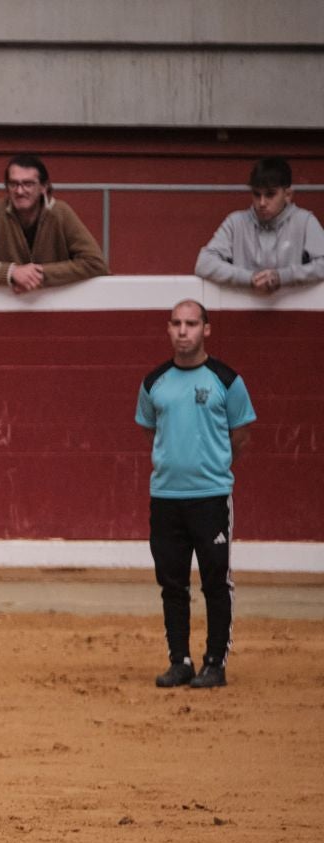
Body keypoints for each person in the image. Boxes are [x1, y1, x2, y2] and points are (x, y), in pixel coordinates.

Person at [138, 301, 256, 690]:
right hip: (166, 497)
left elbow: (241, 435)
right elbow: (151, 431)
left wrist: (212, 467)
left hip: (210, 498)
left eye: (191, 323)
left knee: (215, 582)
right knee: (172, 583)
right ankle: (180, 661)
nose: (183, 330)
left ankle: (215, 663)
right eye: (176, 323)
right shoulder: (153, 382)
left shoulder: (227, 380)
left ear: (206, 329)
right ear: (168, 329)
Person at [0, 154, 108, 293]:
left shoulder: (61, 213)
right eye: (13, 184)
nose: (20, 191)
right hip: (3, 305)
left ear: (44, 187)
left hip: (55, 306)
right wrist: (11, 272)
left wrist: (38, 275)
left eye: (28, 184)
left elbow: (96, 263)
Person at [195, 157, 324, 295]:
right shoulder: (236, 222)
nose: (262, 203)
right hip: (242, 305)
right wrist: (249, 278)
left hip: (295, 305)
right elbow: (204, 264)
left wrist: (282, 277)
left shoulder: (304, 221)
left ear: (288, 195)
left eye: (270, 194)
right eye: (257, 194)